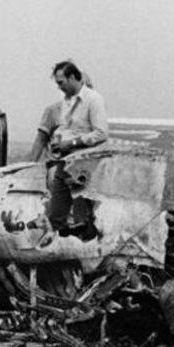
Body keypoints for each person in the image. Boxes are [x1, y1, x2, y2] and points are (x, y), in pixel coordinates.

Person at [30, 61, 109, 233]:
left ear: (73, 78)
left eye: (61, 83)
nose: (60, 88)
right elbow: (44, 137)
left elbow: (101, 133)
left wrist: (72, 143)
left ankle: (84, 249)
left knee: (83, 214)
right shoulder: (61, 105)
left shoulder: (93, 100)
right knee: (56, 214)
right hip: (63, 163)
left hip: (83, 166)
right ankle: (54, 248)